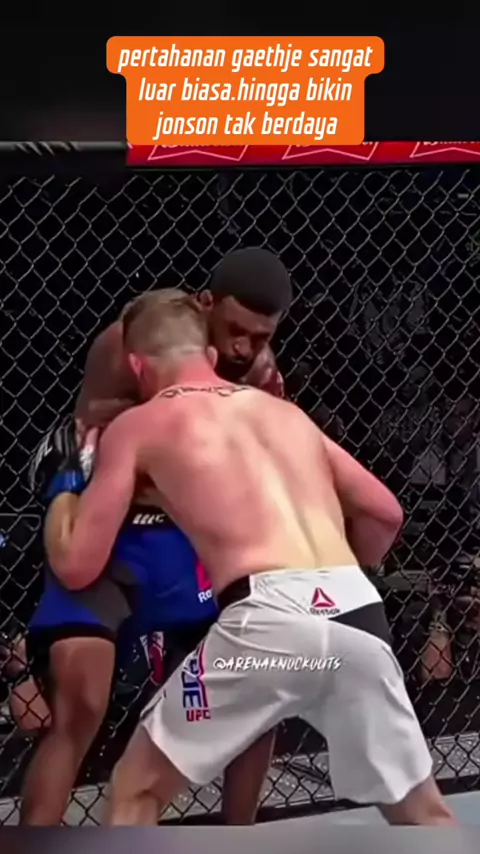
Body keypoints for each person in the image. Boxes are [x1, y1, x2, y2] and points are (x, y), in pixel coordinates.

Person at [33, 290, 455, 826]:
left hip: (266, 622)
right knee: (423, 813)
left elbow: (77, 566)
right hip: (358, 612)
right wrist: (341, 574)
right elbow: (386, 513)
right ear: (209, 356)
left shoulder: (138, 426)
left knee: (137, 789)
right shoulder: (288, 416)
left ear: (137, 366)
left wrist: (65, 487)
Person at [20, 248, 292, 825]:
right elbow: (90, 427)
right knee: (80, 702)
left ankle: (240, 837)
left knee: (258, 693)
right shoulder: (131, 341)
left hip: (189, 539)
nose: (244, 348)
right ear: (206, 303)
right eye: (236, 330)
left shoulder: (260, 374)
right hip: (112, 531)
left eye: (260, 336)